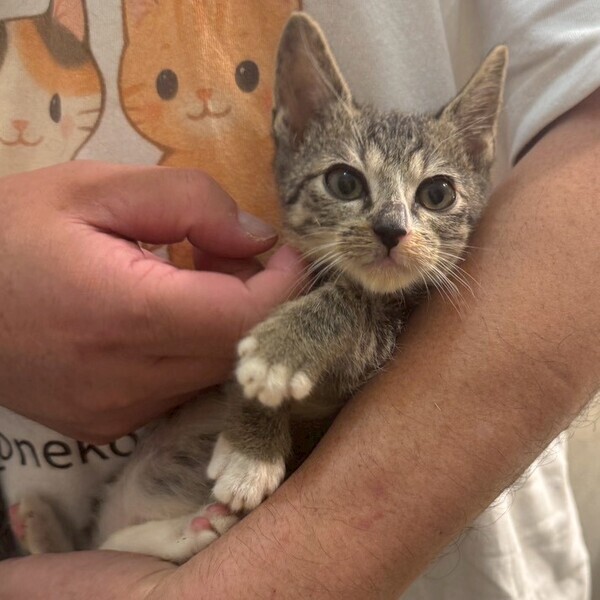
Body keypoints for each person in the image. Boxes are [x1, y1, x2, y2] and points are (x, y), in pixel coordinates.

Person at [0, 1, 599, 598]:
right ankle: (76, 540)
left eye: (435, 194)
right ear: (297, 131)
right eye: (347, 183)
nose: (394, 225)